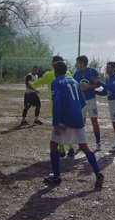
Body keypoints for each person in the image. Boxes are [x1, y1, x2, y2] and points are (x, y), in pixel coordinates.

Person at [43, 60, 104, 188]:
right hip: (77, 118)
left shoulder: (56, 82)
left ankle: (56, 176)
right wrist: (75, 113)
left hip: (64, 120)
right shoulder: (75, 82)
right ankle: (98, 172)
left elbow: (57, 103)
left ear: (55, 71)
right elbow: (82, 102)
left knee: (53, 145)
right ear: (66, 70)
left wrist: (56, 122)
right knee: (85, 146)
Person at [33, 55, 75, 157]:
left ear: (53, 64)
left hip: (56, 105)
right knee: (67, 127)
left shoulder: (49, 74)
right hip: (68, 104)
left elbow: (36, 84)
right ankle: (71, 148)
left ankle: (61, 150)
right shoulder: (69, 73)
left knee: (58, 127)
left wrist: (29, 83)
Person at [95, 61, 115, 153]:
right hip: (112, 102)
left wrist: (99, 82)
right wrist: (94, 91)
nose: (106, 69)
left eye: (108, 67)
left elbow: (111, 88)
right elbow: (105, 91)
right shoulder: (109, 79)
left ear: (114, 69)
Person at [73, 55, 102, 151]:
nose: (76, 64)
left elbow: (98, 85)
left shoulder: (93, 71)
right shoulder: (76, 74)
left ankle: (98, 143)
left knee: (94, 122)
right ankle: (82, 143)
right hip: (80, 101)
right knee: (81, 123)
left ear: (82, 63)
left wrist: (88, 87)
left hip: (91, 100)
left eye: (77, 62)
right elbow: (75, 86)